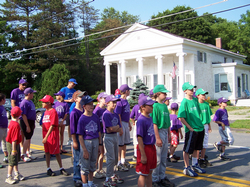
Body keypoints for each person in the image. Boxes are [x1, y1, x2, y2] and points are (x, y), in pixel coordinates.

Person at [178, 82, 206, 177]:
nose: (192, 90)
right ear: (185, 91)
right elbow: (181, 117)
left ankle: (195, 164)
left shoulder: (195, 100)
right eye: (190, 89)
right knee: (187, 149)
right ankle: (187, 167)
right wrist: (189, 127)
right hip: (192, 129)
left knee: (197, 148)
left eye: (193, 88)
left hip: (199, 128)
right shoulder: (184, 102)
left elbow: (198, 113)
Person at [151, 84, 175, 187]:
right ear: (157, 94)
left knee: (164, 156)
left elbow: (168, 122)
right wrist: (157, 137)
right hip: (159, 132)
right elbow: (154, 123)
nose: (165, 95)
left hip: (165, 131)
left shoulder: (165, 106)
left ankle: (162, 177)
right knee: (158, 158)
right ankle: (154, 179)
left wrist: (169, 134)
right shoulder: (155, 106)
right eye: (163, 93)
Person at [40, 95, 69, 177]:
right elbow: (44, 123)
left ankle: (61, 168)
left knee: (56, 152)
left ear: (49, 103)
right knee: (47, 152)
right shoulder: (45, 111)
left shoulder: (53, 111)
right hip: (46, 134)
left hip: (52, 135)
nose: (42, 103)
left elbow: (52, 125)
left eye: (44, 102)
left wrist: (46, 137)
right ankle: (48, 168)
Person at [77, 95, 102, 187]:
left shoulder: (95, 117)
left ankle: (91, 183)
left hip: (95, 140)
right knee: (85, 164)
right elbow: (80, 136)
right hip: (86, 141)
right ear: (84, 106)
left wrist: (100, 144)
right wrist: (84, 150)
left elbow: (99, 131)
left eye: (92, 104)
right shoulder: (82, 119)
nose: (92, 106)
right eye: (89, 105)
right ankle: (85, 184)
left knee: (92, 163)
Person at [102, 95, 123, 187]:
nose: (115, 104)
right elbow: (109, 129)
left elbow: (119, 128)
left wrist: (116, 128)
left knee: (115, 158)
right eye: (113, 102)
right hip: (109, 137)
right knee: (110, 158)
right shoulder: (106, 114)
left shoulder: (115, 114)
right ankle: (107, 179)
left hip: (115, 136)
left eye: (115, 102)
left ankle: (113, 175)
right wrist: (116, 128)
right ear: (107, 103)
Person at [136, 95, 157, 187]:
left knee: (150, 172)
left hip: (152, 147)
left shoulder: (150, 118)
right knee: (143, 173)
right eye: (150, 106)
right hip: (145, 148)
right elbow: (140, 138)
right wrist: (143, 154)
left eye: (152, 105)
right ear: (143, 107)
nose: (152, 107)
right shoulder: (141, 120)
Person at [114, 84, 133, 171]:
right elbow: (118, 115)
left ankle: (123, 160)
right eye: (128, 90)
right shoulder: (119, 102)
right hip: (121, 124)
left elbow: (127, 113)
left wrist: (129, 123)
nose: (129, 91)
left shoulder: (126, 101)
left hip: (125, 123)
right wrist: (120, 127)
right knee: (120, 144)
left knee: (125, 143)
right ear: (126, 91)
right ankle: (118, 163)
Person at [5, 106, 25, 184]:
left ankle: (16, 173)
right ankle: (8, 176)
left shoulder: (12, 122)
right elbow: (14, 139)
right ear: (19, 115)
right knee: (12, 161)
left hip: (14, 144)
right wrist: (14, 150)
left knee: (16, 160)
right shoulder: (16, 125)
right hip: (12, 145)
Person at [70, 90, 85, 187]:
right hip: (77, 139)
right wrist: (74, 141)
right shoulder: (74, 113)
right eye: (80, 97)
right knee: (77, 159)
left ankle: (83, 175)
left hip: (84, 138)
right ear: (76, 99)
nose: (82, 98)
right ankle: (77, 177)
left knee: (83, 159)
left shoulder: (84, 110)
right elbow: (72, 129)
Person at [195, 88, 213, 167]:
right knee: (198, 143)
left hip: (205, 125)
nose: (204, 96)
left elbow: (208, 116)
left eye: (204, 94)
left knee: (205, 143)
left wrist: (209, 126)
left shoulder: (206, 105)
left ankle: (202, 158)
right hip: (198, 125)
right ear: (198, 95)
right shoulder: (196, 104)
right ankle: (197, 159)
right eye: (202, 94)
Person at [10, 78, 28, 158]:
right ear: (19, 85)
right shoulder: (15, 91)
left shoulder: (25, 92)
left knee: (23, 131)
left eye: (25, 85)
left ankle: (23, 148)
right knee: (18, 132)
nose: (24, 86)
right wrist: (15, 112)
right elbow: (13, 102)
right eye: (23, 84)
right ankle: (19, 148)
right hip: (17, 114)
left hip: (23, 113)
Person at [93, 92, 109, 179]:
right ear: (100, 99)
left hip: (104, 132)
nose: (106, 100)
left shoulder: (106, 109)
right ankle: (95, 170)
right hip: (98, 133)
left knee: (102, 153)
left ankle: (100, 168)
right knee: (98, 152)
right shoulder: (97, 110)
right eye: (104, 98)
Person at [19, 88, 37, 162]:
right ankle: (23, 154)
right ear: (29, 94)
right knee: (27, 138)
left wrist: (33, 123)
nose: (33, 95)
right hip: (26, 121)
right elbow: (23, 115)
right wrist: (27, 126)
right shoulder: (24, 102)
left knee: (29, 138)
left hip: (31, 121)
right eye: (32, 93)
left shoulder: (30, 102)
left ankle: (27, 153)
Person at [60, 78, 77, 145]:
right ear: (69, 82)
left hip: (72, 109)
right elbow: (60, 99)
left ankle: (71, 138)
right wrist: (68, 100)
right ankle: (62, 141)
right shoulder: (64, 89)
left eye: (74, 84)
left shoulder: (74, 90)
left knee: (71, 124)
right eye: (73, 84)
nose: (73, 85)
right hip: (65, 109)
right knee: (63, 125)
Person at [130, 93, 145, 161]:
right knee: (142, 139)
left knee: (136, 139)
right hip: (143, 123)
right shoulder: (144, 106)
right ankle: (140, 154)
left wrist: (133, 122)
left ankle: (136, 154)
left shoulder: (136, 106)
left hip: (137, 123)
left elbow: (131, 117)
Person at [0, 93, 8, 166]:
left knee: (5, 143)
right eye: (5, 99)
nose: (5, 100)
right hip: (0, 128)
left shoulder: (2, 107)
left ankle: (6, 157)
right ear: (2, 100)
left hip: (4, 128)